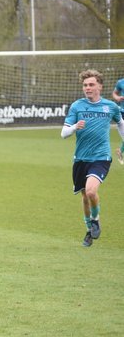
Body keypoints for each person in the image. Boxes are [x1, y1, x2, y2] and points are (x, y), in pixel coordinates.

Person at [62, 69, 124, 247]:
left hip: (101, 157)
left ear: (100, 86)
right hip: (81, 158)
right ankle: (89, 229)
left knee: (91, 191)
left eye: (91, 84)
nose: (87, 88)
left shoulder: (110, 107)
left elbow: (120, 124)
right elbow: (63, 133)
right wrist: (75, 127)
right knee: (84, 197)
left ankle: (95, 220)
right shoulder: (77, 106)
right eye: (85, 85)